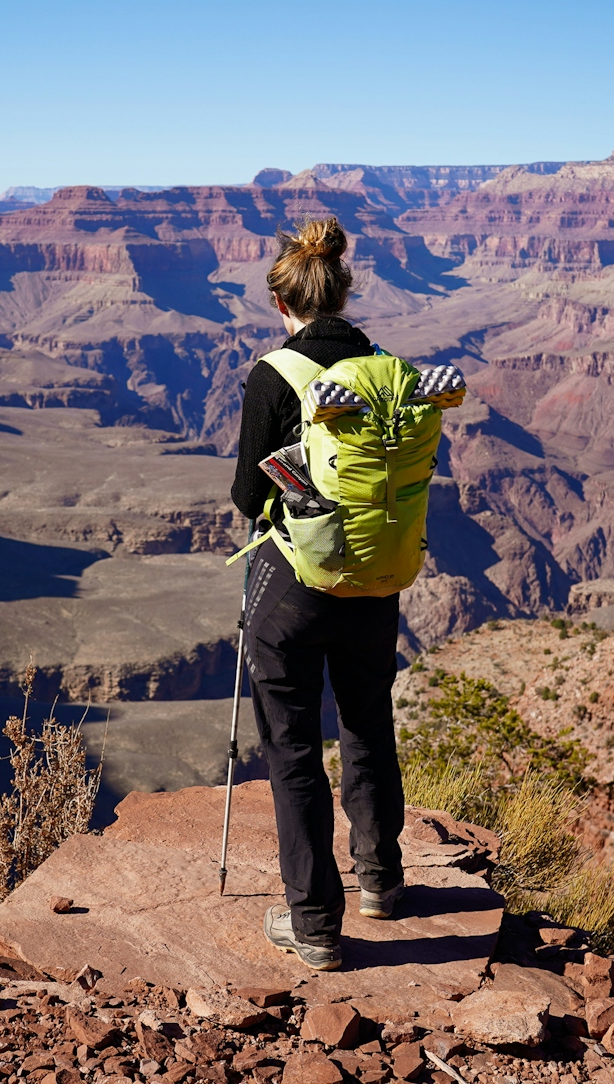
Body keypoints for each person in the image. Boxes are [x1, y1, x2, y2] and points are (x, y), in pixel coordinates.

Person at [230, 215, 405, 972]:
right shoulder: (387, 368)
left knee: (294, 745)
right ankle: (381, 880)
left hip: (296, 584)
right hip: (375, 576)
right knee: (367, 720)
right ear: (341, 293)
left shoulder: (276, 374)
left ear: (283, 304)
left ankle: (315, 925)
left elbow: (246, 495)